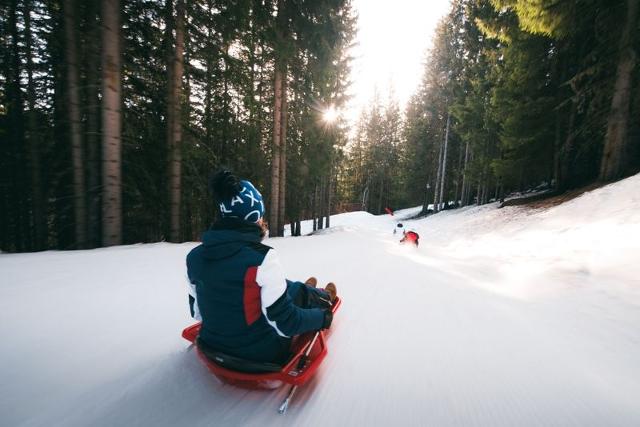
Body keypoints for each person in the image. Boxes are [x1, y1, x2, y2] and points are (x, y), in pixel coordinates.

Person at [186, 170, 337, 365]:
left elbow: (197, 313)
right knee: (290, 292)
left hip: (211, 345)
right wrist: (323, 318)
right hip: (259, 355)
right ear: (254, 216)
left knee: (279, 287)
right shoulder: (262, 258)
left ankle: (300, 292)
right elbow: (286, 324)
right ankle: (321, 298)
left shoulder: (193, 257)